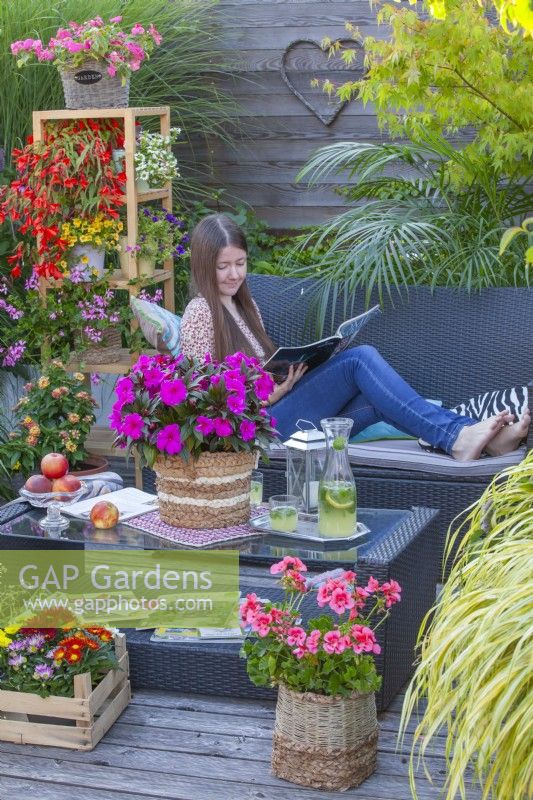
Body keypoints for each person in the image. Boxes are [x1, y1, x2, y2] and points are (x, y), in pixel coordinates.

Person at [180, 214, 530, 461]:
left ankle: (482, 440)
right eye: (223, 266)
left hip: (281, 411)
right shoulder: (199, 314)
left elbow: (259, 371)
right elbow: (200, 409)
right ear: (203, 264)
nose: (234, 274)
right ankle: (459, 439)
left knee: (376, 395)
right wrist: (269, 396)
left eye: (240, 263)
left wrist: (294, 370)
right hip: (258, 433)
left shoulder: (246, 305)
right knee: (360, 360)